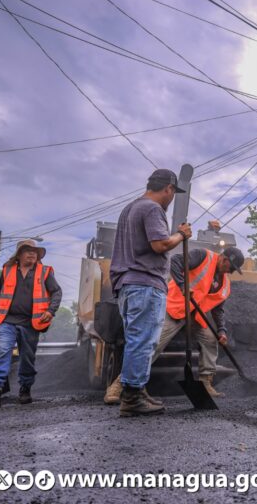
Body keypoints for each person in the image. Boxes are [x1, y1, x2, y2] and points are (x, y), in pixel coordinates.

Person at [103, 244, 244, 404]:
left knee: (210, 340)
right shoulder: (203, 256)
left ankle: (205, 382)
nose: (231, 272)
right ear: (224, 259)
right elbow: (175, 261)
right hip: (174, 308)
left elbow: (218, 310)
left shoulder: (224, 283)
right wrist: (184, 285)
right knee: (153, 344)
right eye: (231, 267)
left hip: (194, 315)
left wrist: (222, 330)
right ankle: (120, 385)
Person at [109, 169, 192, 417]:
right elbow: (160, 245)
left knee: (138, 339)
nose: (172, 198)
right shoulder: (153, 209)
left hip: (127, 283)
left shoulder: (130, 208)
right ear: (167, 188)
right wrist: (181, 234)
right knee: (143, 341)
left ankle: (136, 390)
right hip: (145, 282)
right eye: (172, 193)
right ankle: (133, 396)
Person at [0, 239, 62, 407]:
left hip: (31, 323)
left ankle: (25, 388)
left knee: (27, 356)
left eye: (35, 251)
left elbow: (56, 292)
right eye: (28, 250)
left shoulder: (45, 272)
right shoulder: (7, 270)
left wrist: (50, 311)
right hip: (7, 320)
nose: (33, 253)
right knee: (3, 349)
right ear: (19, 255)